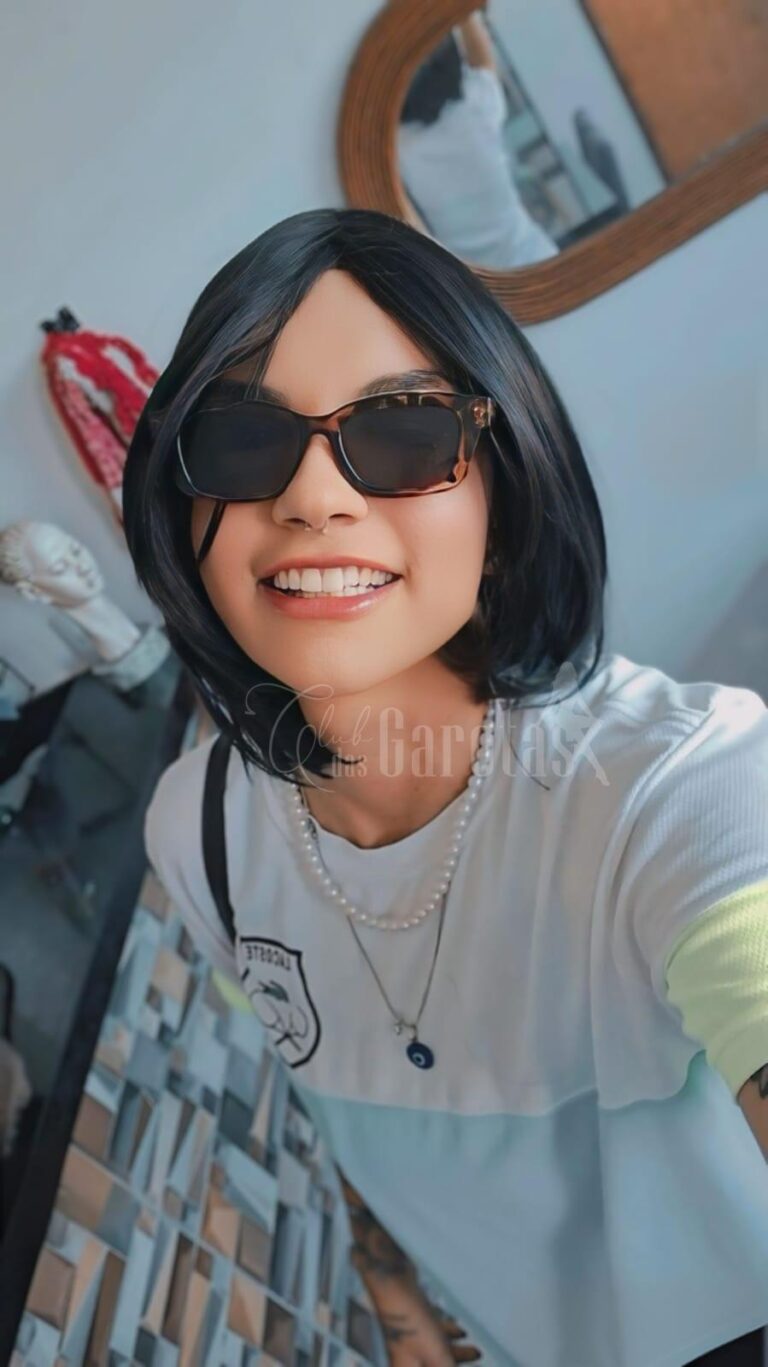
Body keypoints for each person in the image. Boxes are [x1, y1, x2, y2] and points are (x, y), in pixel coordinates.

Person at [122, 207, 768, 1367]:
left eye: (405, 433)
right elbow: (328, 1098)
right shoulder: (199, 830)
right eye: (242, 439)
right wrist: (404, 1310)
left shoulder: (674, 785)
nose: (314, 499)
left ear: (504, 500)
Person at [397, 14, 558, 269]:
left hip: (469, 279)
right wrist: (464, 14)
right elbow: (482, 56)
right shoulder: (475, 107)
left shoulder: (397, 150)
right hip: (533, 254)